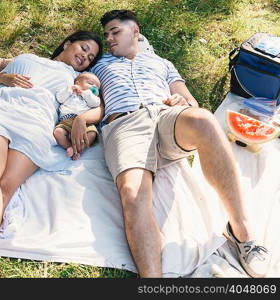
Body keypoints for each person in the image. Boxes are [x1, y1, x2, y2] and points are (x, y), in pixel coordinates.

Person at [90, 10, 269, 278]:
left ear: (136, 32)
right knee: (133, 192)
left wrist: (181, 102)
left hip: (165, 117)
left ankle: (243, 234)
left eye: (115, 32)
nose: (110, 39)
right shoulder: (99, 64)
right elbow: (89, 96)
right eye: (107, 35)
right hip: (124, 124)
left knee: (203, 120)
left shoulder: (162, 63)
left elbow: (189, 100)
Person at [0, 31, 103, 278]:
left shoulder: (80, 79)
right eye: (83, 48)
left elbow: (99, 106)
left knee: (5, 186)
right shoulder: (24, 58)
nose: (85, 56)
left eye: (91, 56)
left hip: (37, 123)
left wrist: (82, 117)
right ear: (67, 43)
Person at [53, 72, 101, 160]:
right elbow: (59, 98)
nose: (94, 87)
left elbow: (96, 103)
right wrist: (70, 89)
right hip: (67, 119)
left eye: (97, 87)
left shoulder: (91, 97)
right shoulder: (70, 92)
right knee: (58, 132)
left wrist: (85, 93)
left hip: (84, 123)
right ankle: (70, 147)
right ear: (78, 83)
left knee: (92, 133)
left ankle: (78, 149)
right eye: (90, 83)